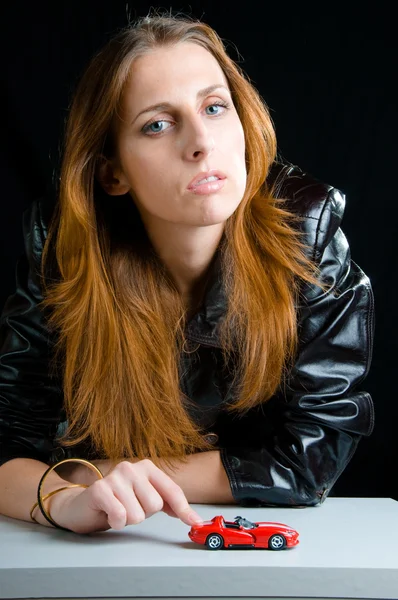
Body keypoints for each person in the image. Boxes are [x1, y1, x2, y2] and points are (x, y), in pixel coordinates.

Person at [0, 12, 374, 535]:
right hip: (109, 552)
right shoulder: (63, 251)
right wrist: (62, 502)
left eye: (215, 108)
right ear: (112, 172)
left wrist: (100, 474)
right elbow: (7, 444)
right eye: (158, 123)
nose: (201, 142)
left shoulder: (307, 234)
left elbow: (313, 454)